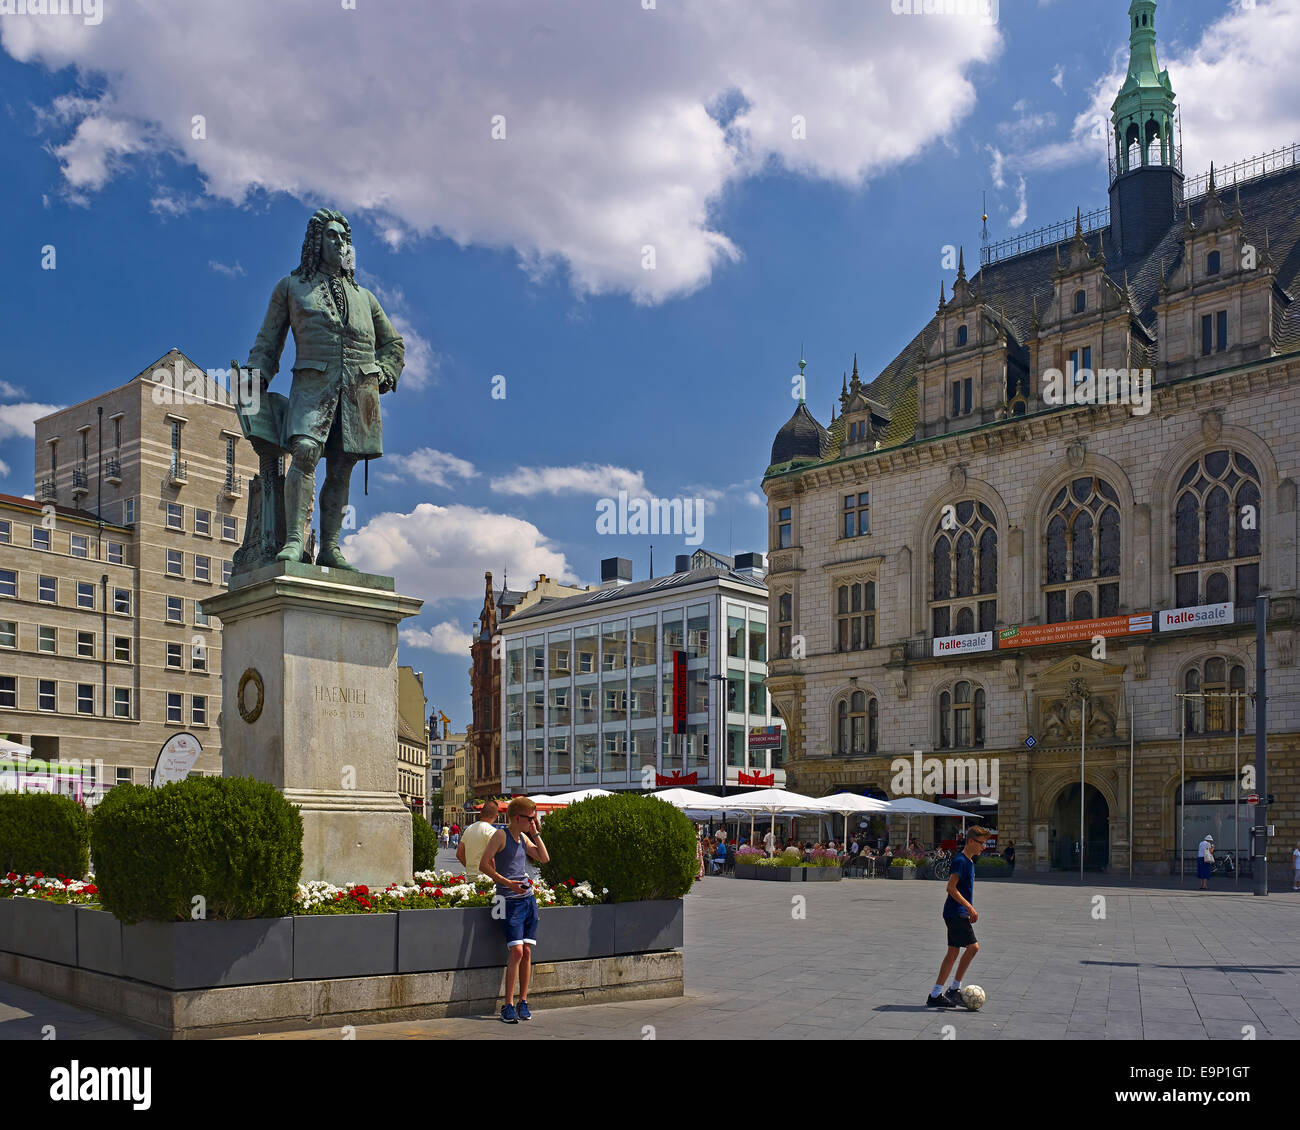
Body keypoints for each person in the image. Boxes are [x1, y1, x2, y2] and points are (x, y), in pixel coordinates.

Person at [476, 797, 549, 1024]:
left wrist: (536, 833)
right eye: (530, 818)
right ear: (517, 818)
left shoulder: (524, 837)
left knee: (526, 951)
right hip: (508, 900)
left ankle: (523, 1001)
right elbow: (484, 864)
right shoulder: (501, 836)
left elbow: (544, 858)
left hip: (528, 899)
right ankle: (507, 1004)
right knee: (516, 951)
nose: (533, 821)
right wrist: (507, 883)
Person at [926, 824, 990, 1009]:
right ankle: (954, 989)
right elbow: (950, 887)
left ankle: (936, 994)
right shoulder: (961, 860)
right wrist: (970, 907)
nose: (983, 847)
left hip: (955, 912)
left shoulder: (968, 861)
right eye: (981, 843)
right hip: (956, 913)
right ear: (971, 841)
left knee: (953, 952)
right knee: (973, 948)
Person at [456, 798, 500, 879]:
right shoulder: (492, 831)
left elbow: (459, 854)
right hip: (486, 877)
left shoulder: (469, 829)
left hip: (470, 876)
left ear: (481, 813)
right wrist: (495, 876)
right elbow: (492, 858)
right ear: (496, 816)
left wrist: (469, 867)